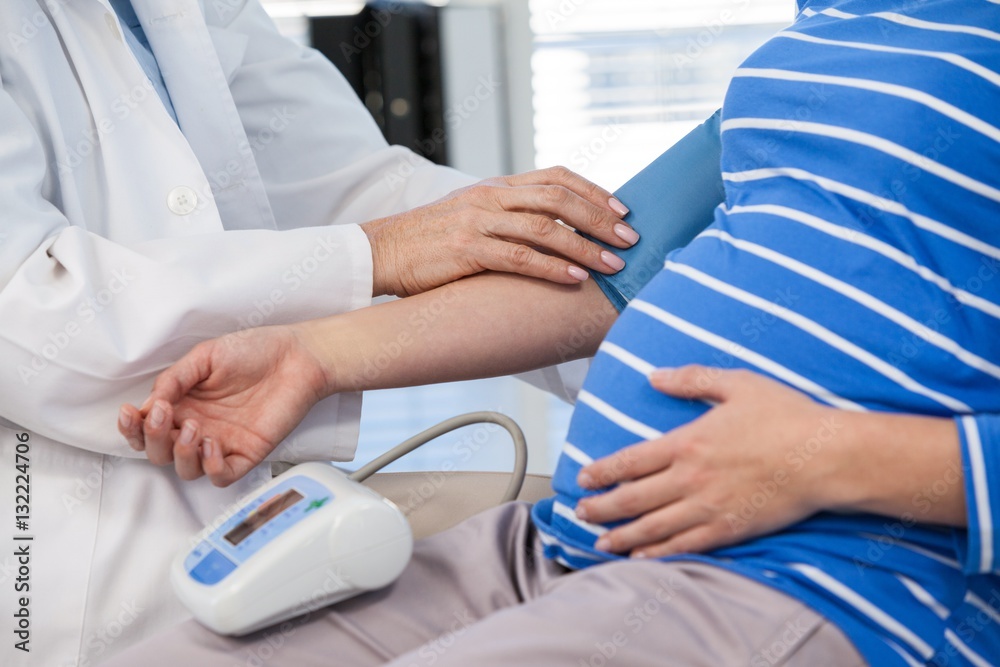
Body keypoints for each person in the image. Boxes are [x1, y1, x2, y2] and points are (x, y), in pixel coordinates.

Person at [112, 0, 1000, 665]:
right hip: (565, 543)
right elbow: (604, 274)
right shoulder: (831, 32)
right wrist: (314, 355)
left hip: (827, 579)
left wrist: (825, 457)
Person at [0, 1, 736, 665]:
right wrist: (380, 256)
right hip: (61, 564)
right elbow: (30, 304)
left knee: (633, 559)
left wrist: (668, 360)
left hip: (244, 499)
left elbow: (362, 188)